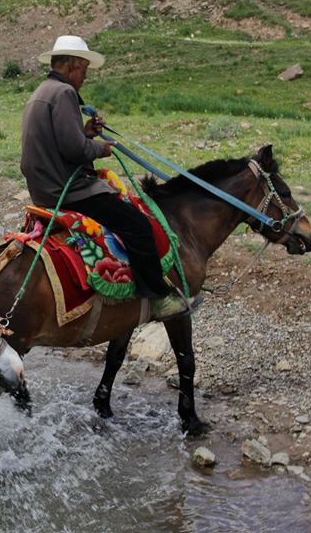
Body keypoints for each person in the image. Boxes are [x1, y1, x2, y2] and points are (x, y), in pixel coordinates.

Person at [19, 35, 186, 322]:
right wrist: (101, 147)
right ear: (72, 64)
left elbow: (62, 141)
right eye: (84, 68)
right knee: (138, 226)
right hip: (70, 189)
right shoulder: (65, 93)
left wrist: (86, 132)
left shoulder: (42, 92)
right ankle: (158, 299)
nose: (85, 76)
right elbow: (73, 149)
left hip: (46, 189)